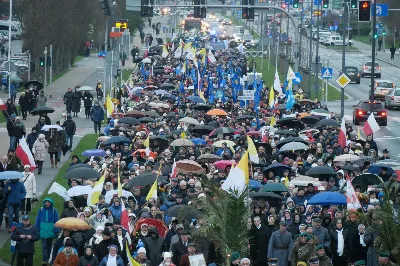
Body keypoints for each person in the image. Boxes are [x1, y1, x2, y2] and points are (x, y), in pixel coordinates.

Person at [35, 197, 59, 265]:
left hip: (50, 231)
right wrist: (37, 229)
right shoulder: (41, 210)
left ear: (51, 203)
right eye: (46, 202)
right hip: (43, 231)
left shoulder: (54, 210)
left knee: (49, 246)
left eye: (48, 202)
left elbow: (56, 221)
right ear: (44, 203)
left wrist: (56, 230)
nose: (47, 203)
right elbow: (38, 220)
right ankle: (45, 260)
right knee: (43, 246)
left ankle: (49, 259)